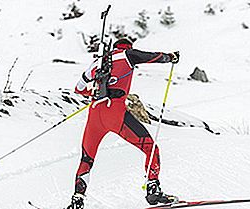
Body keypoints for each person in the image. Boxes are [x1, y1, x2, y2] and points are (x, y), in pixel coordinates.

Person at [67, 37, 180, 209]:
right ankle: (153, 189)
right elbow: (152, 57)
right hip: (116, 114)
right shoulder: (128, 55)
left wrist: (95, 93)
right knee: (151, 148)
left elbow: (79, 89)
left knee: (87, 158)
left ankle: (77, 199)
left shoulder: (98, 62)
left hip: (94, 116)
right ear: (127, 47)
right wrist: (171, 57)